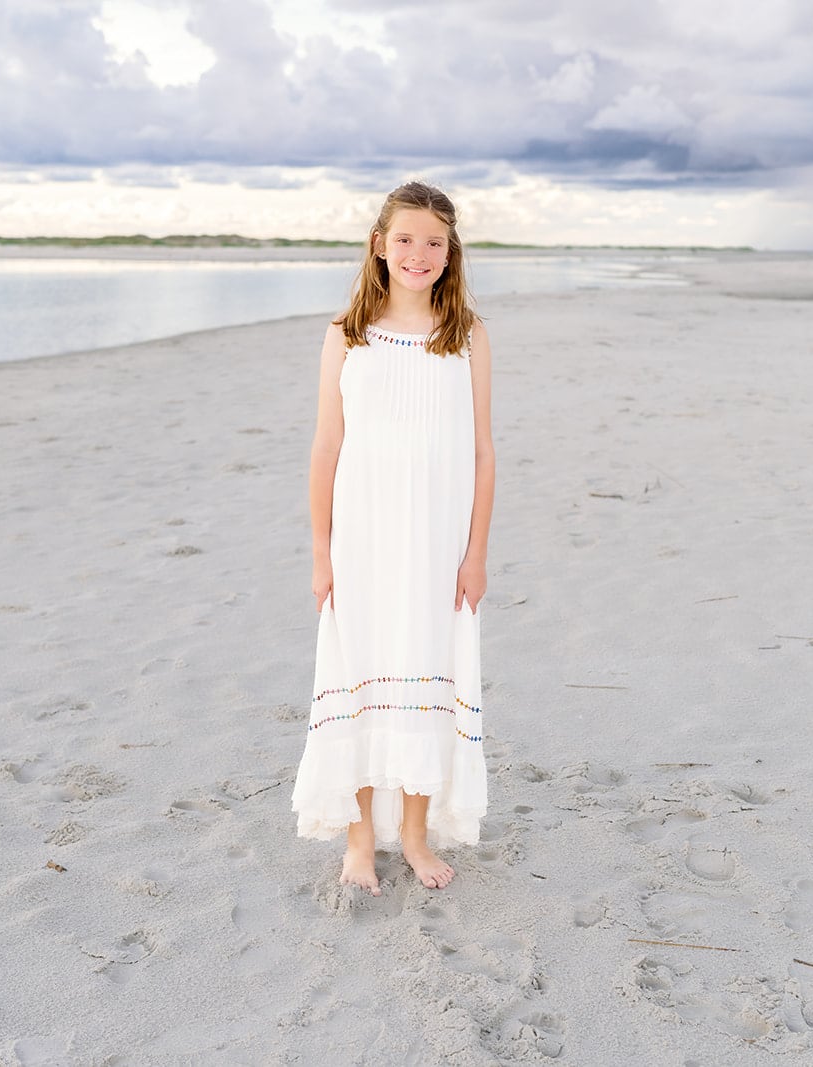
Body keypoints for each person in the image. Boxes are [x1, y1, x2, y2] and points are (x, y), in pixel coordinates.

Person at [291, 181, 495, 894]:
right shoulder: (346, 333)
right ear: (379, 243)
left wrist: (475, 554)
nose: (419, 253)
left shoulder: (464, 334)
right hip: (364, 538)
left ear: (450, 252)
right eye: (405, 239)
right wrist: (321, 551)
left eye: (434, 242)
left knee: (426, 673)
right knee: (360, 677)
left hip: (438, 541)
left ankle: (412, 835)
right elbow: (325, 447)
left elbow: (482, 452)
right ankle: (357, 841)